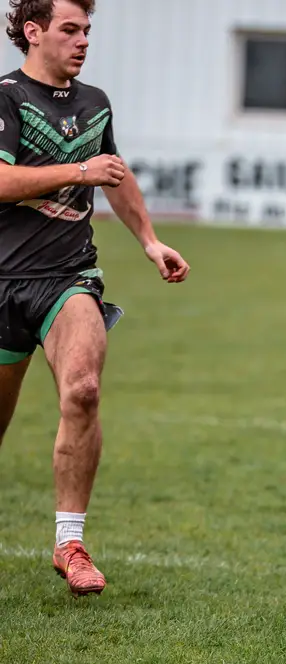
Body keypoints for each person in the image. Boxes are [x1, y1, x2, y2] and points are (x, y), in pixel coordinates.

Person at [0, 0, 190, 596]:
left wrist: (150, 241)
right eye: (70, 29)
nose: (83, 40)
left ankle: (70, 543)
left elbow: (115, 173)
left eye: (87, 30)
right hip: (2, 283)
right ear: (34, 32)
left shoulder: (95, 103)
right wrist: (77, 172)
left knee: (83, 389)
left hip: (68, 277)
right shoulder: (7, 98)